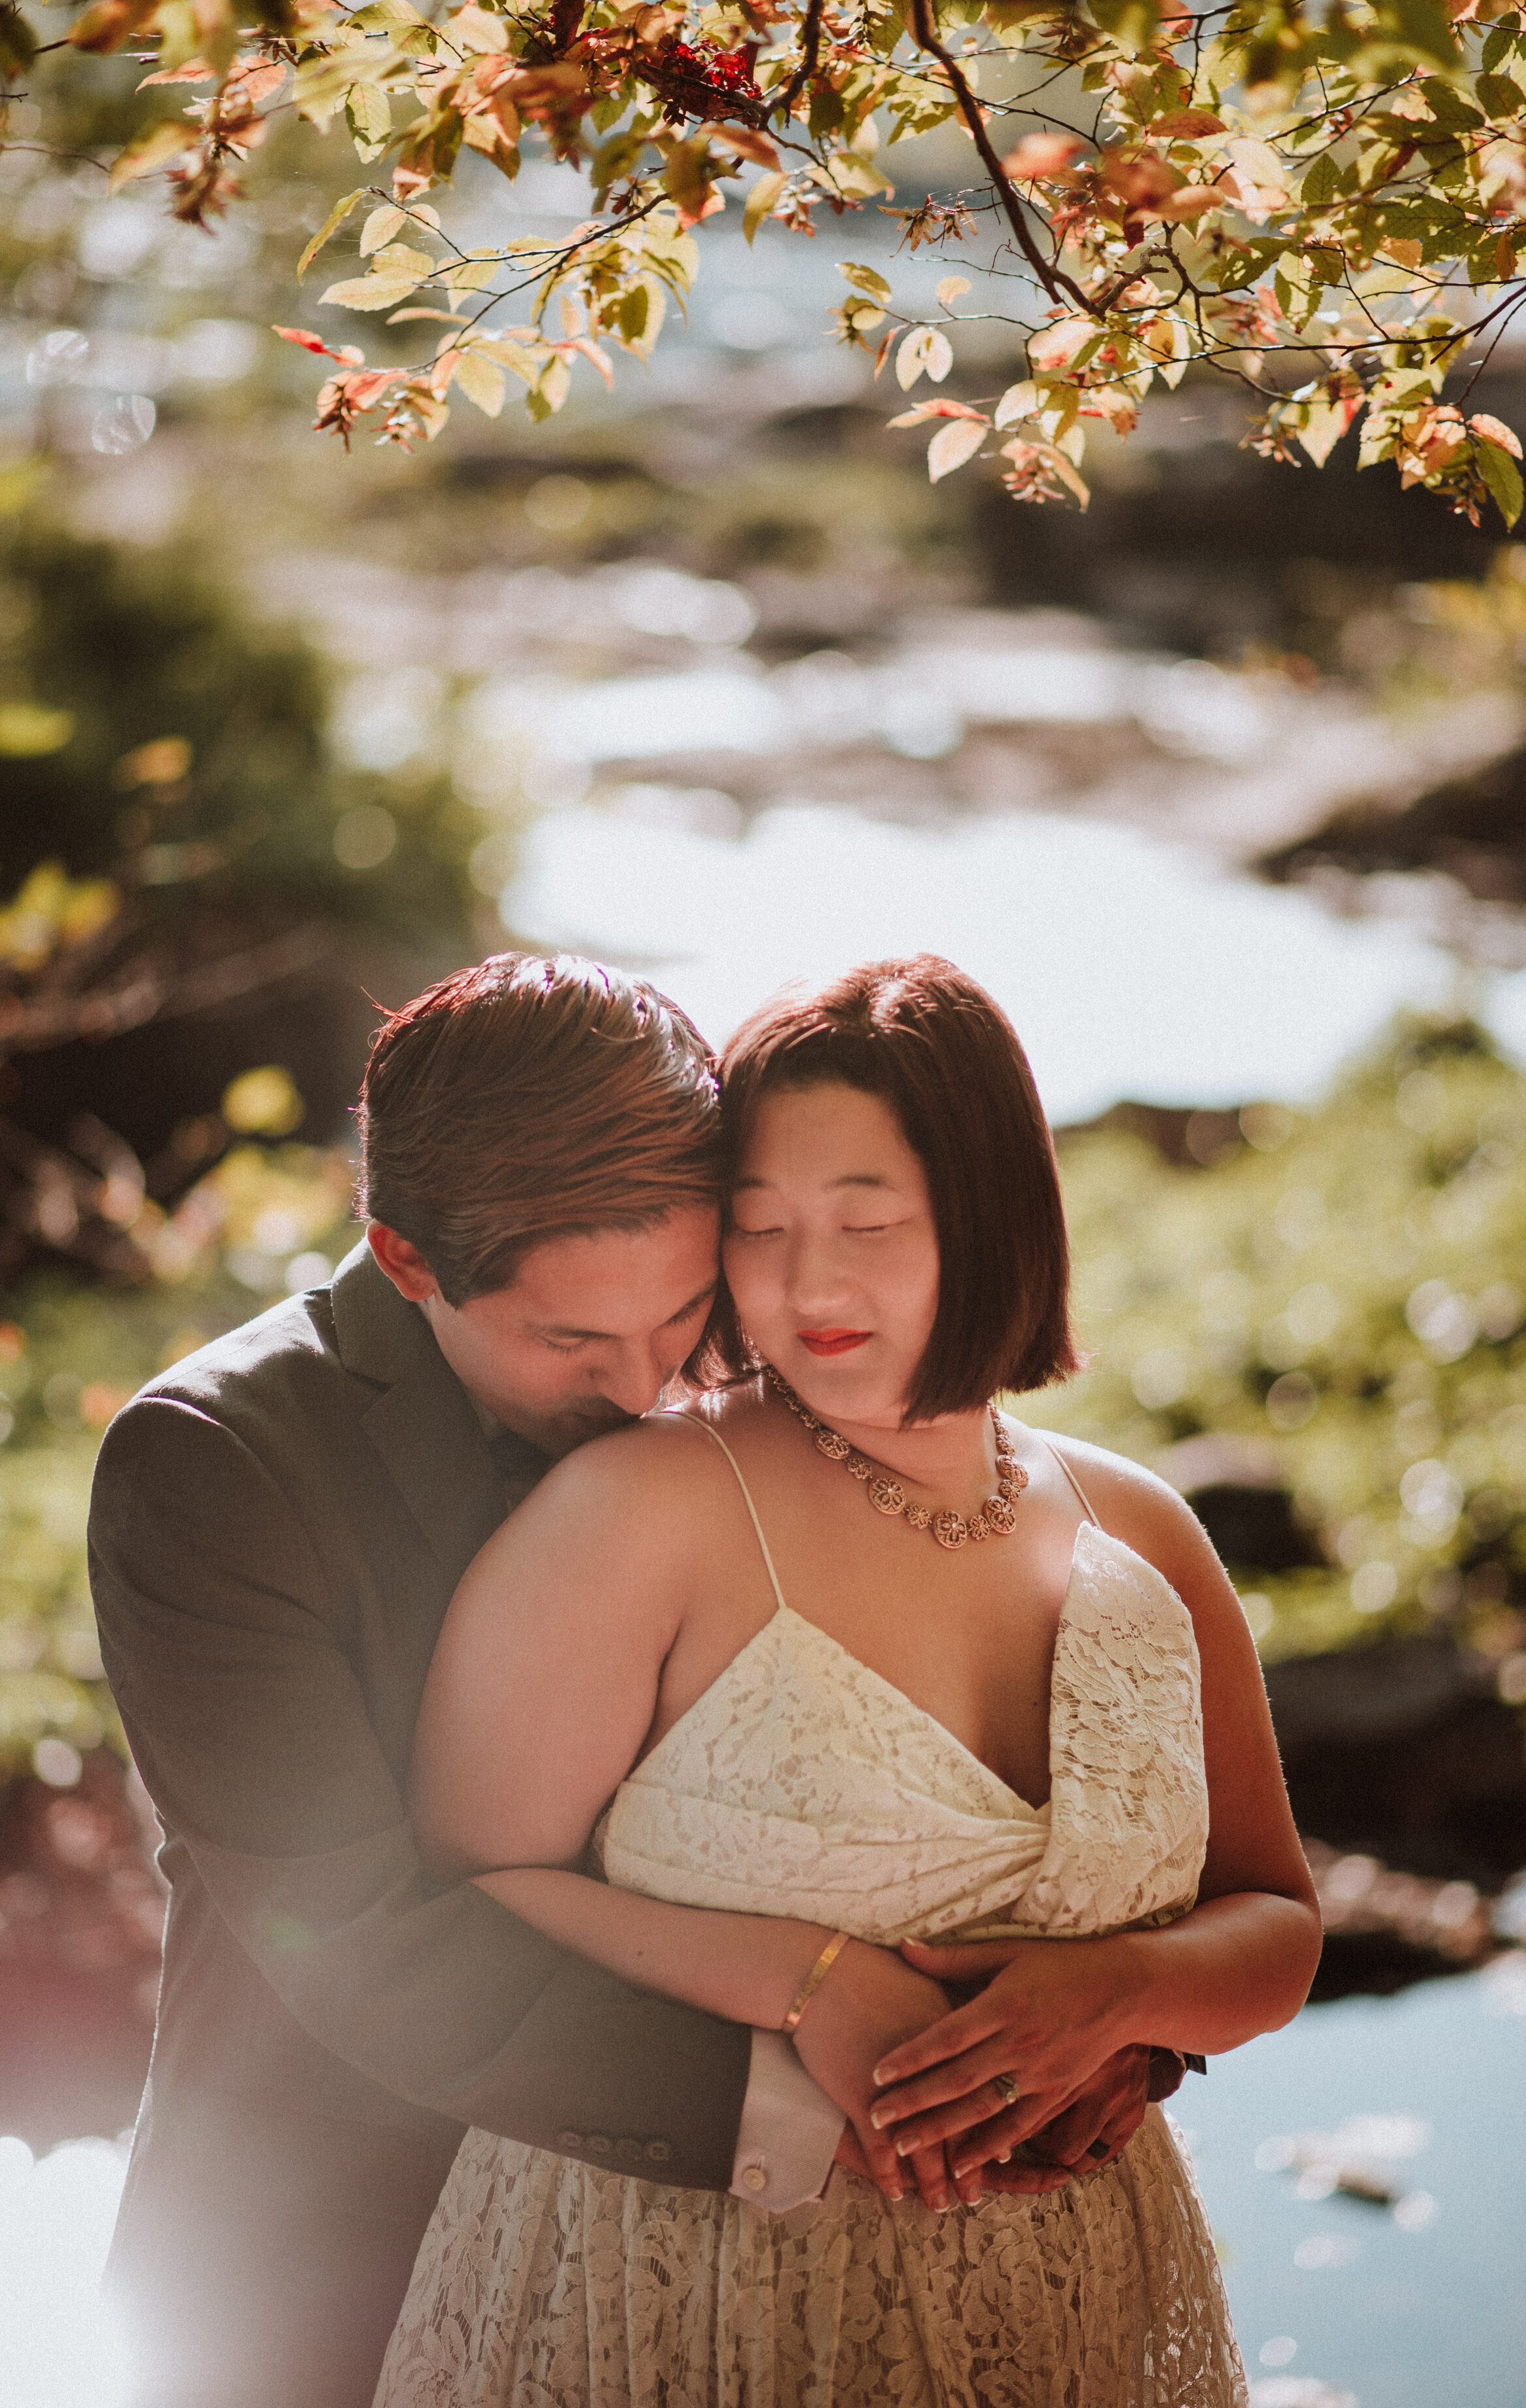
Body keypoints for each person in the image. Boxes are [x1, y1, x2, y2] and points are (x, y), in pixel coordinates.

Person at [89, 952, 1150, 2408]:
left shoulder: (752, 1358)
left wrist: (1088, 2030)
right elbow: (352, 1935)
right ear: (407, 1257)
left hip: (735, 2303)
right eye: (573, 1340)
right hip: (330, 2254)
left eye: (680, 1316)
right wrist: (832, 2081)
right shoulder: (215, 1466)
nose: (653, 1385)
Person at [374, 956, 1322, 2408]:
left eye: (866, 1223)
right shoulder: (634, 1512)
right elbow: (470, 1873)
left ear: (990, 1211)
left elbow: (1274, 1921)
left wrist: (1120, 1991)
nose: (808, 1283)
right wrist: (803, 1976)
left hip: (1074, 2292)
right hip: (695, 2304)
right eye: (756, 1230)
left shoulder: (1141, 1530)